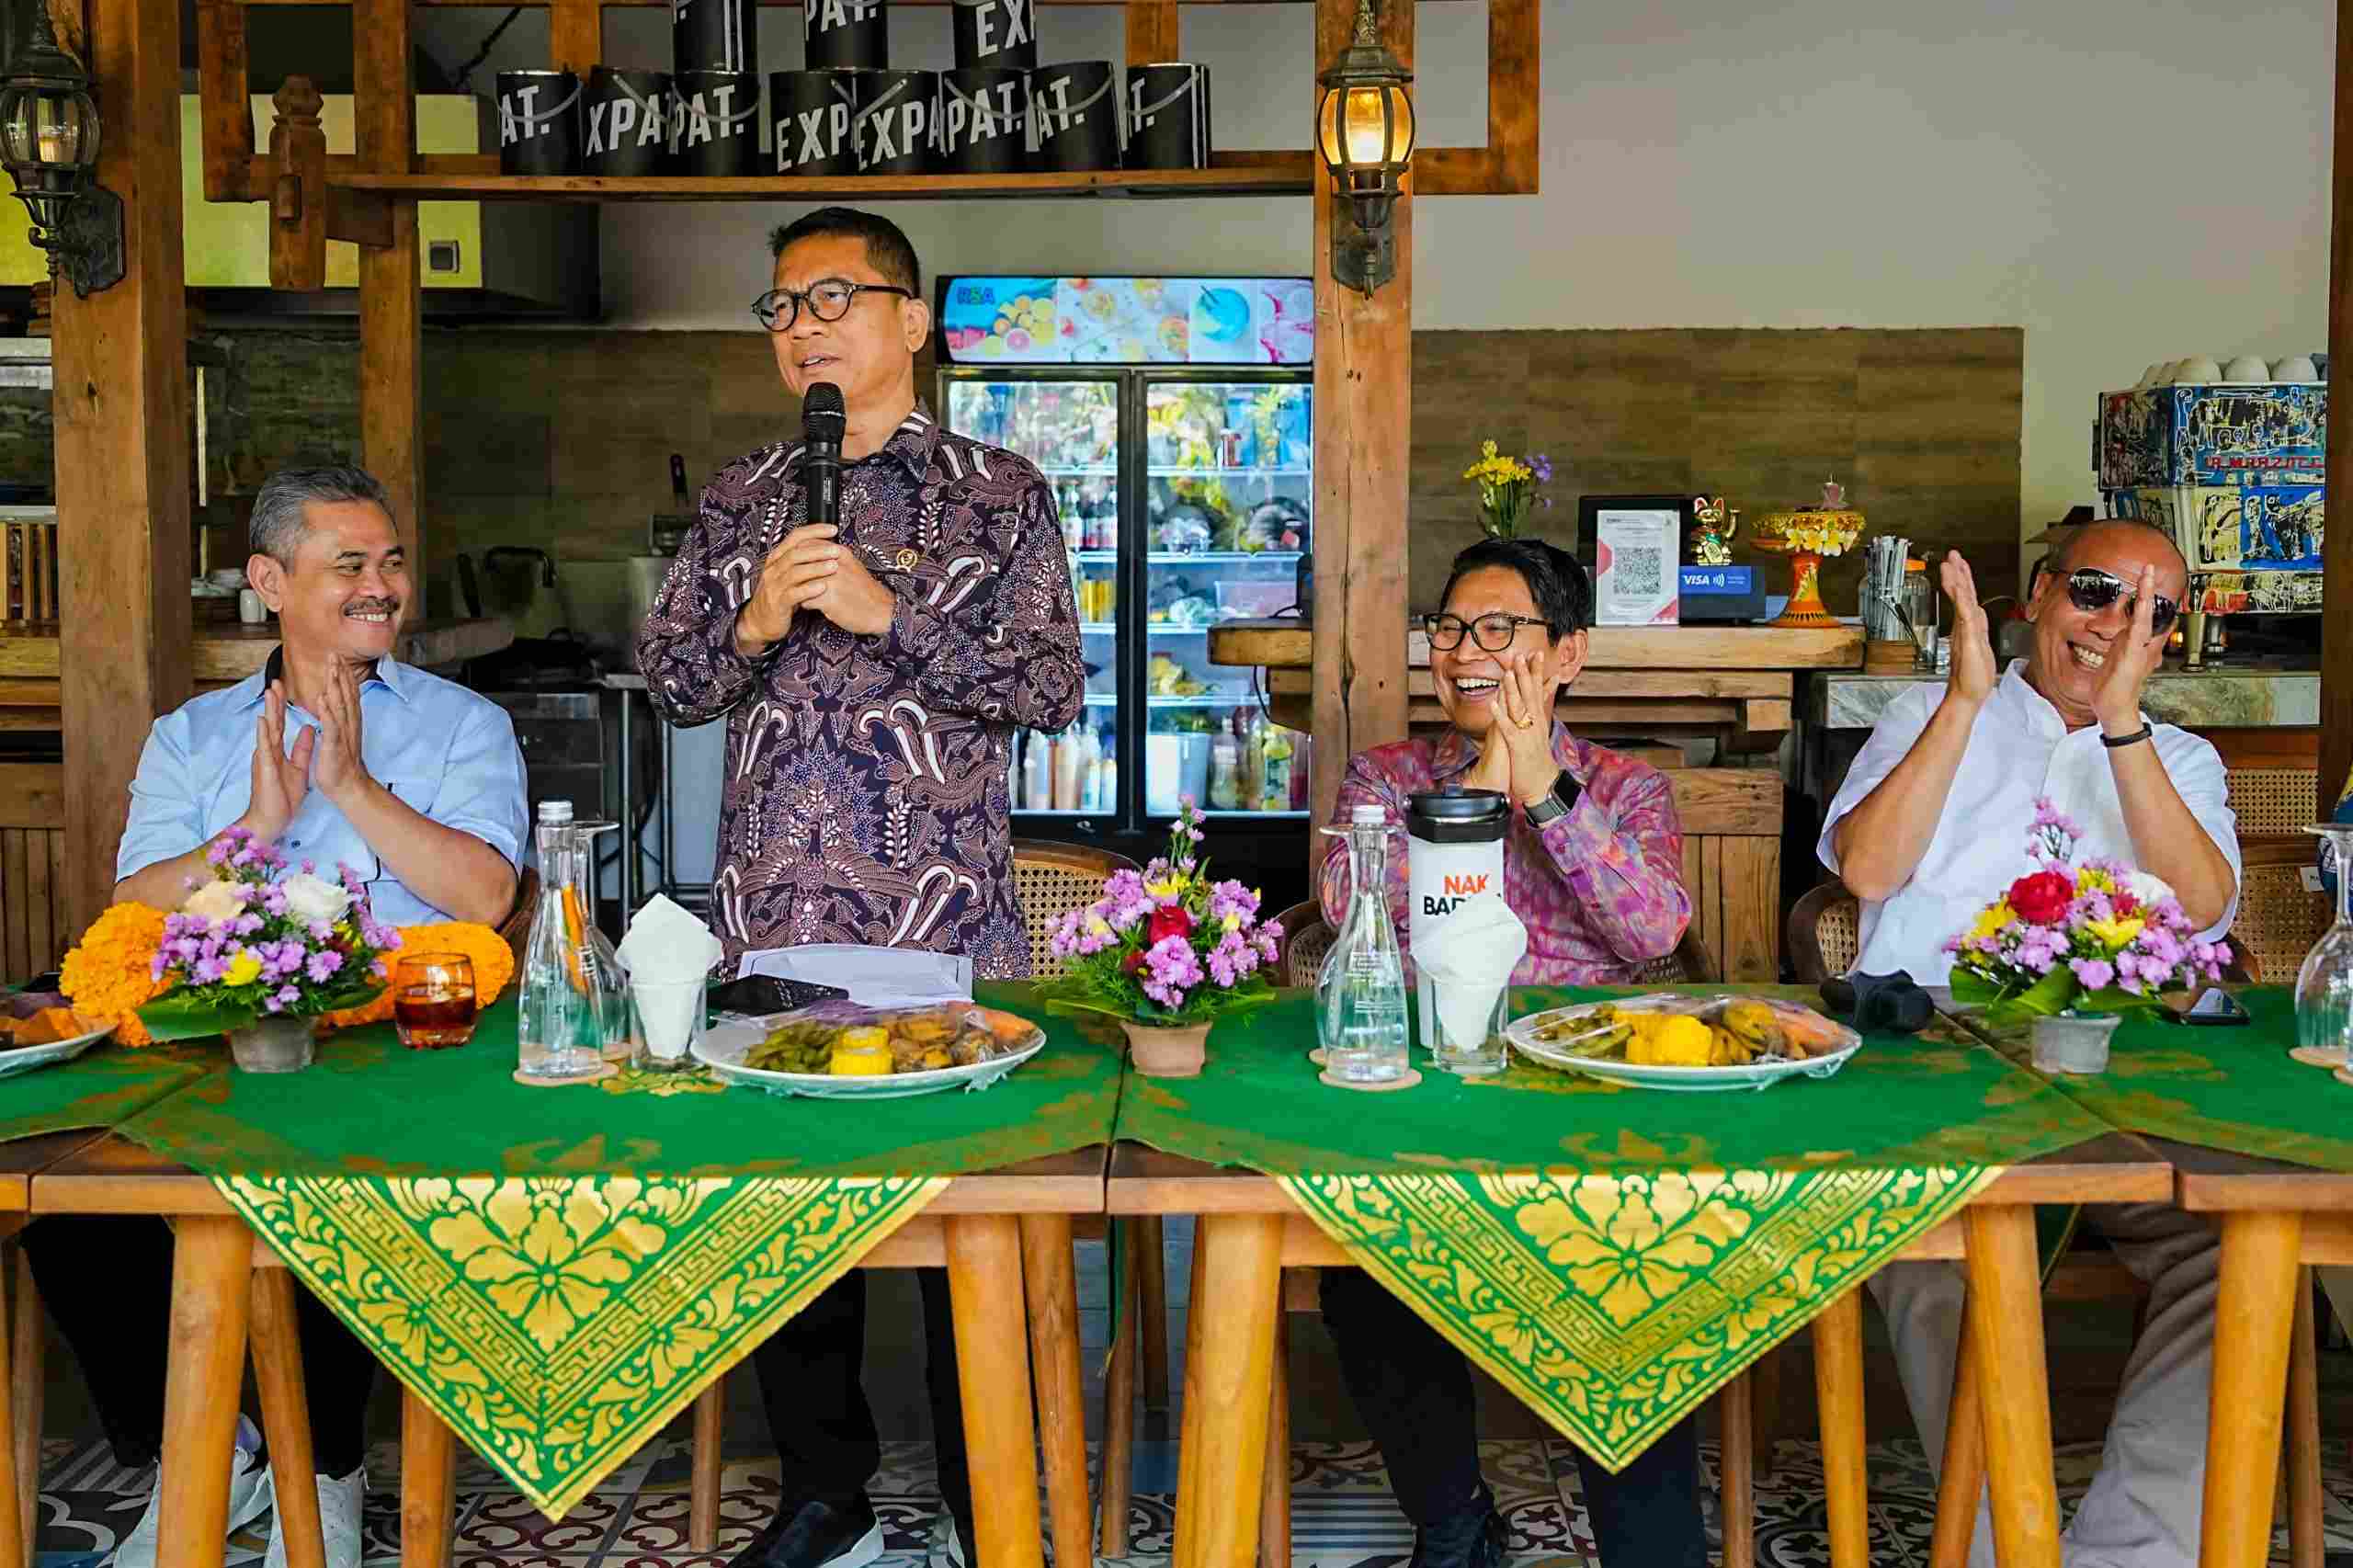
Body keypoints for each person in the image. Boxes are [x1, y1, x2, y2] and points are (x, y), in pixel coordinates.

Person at [633, 208, 1083, 1568]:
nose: (803, 327)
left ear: (913, 320)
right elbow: (674, 680)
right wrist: (757, 618)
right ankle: (825, 1497)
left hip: (941, 925)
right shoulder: (743, 495)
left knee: (966, 1220)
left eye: (833, 298)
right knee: (786, 1223)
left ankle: (980, 1499)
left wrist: (898, 617)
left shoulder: (1000, 491)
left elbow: (1051, 687)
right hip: (773, 916)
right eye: (782, 307)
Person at [28, 463, 529, 1568]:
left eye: (390, 561)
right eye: (348, 564)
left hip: (402, 1048)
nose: (380, 585)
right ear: (269, 581)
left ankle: (328, 1470)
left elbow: (487, 896)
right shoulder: (194, 735)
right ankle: (220, 1453)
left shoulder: (462, 723)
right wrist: (255, 824)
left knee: (307, 1169)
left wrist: (350, 786)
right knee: (68, 1204)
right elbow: (134, 903)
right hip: (214, 1045)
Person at [1820, 519, 2240, 1568]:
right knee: (1932, 1257)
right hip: (1935, 1080)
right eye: (2097, 593)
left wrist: (2123, 726)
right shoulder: (1928, 712)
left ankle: (2130, 1552)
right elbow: (1865, 871)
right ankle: (2002, 1552)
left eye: (2153, 612)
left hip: (2122, 1084)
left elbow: (2201, 909)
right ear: (2040, 594)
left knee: (2239, 1250)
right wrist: (1963, 702)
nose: (2117, 626)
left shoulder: (2182, 757)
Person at [1314, 537, 1705, 1568]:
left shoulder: (1627, 787)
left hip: (1584, 1103)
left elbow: (1651, 930)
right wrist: (1493, 776)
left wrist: (1546, 788)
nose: (1462, 651)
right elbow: (1356, 908)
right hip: (1422, 1094)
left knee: (1639, 1281)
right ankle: (1454, 1528)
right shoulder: (1386, 774)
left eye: (1498, 629)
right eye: (1449, 628)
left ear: (1566, 654)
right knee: (1364, 1272)